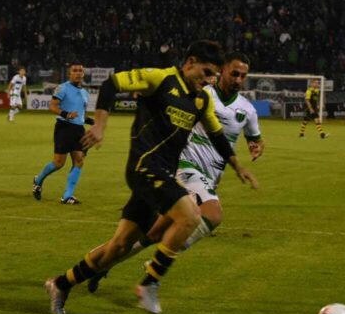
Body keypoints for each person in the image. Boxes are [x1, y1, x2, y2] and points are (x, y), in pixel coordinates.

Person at [44, 40, 258, 314]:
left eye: (213, 77)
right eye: (205, 73)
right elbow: (111, 84)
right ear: (190, 63)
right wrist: (100, 125)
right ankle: (150, 282)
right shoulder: (160, 78)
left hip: (161, 174)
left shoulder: (201, 100)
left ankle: (61, 283)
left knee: (118, 247)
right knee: (190, 215)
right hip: (144, 167)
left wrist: (237, 166)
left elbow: (217, 135)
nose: (208, 81)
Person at [86, 51, 264, 294]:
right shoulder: (200, 92)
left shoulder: (247, 109)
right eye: (234, 73)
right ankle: (158, 266)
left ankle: (102, 263)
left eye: (243, 75)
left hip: (211, 175)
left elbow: (252, 137)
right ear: (221, 70)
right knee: (213, 214)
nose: (238, 79)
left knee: (152, 233)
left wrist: (255, 146)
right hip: (184, 166)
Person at [32, 61, 92, 204]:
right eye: (75, 70)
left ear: (83, 73)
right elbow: (52, 106)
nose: (78, 73)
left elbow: (80, 113)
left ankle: (67, 196)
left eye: (80, 70)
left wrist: (90, 121)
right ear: (70, 73)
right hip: (64, 127)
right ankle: (38, 179)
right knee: (59, 163)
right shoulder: (63, 88)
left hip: (79, 130)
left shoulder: (85, 93)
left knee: (79, 160)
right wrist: (65, 114)